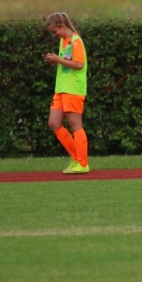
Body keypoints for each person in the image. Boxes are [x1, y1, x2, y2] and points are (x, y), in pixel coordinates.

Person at [44, 12, 89, 174]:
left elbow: (79, 64)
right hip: (61, 88)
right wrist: (55, 60)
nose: (54, 35)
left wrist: (58, 60)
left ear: (62, 26)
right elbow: (67, 63)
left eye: (55, 31)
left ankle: (82, 163)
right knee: (54, 123)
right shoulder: (64, 41)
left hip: (73, 89)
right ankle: (76, 157)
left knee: (75, 125)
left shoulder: (76, 41)